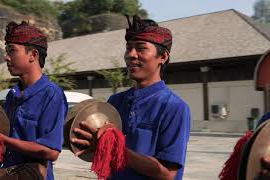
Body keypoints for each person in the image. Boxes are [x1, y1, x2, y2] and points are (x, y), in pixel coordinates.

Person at [72, 15, 191, 180]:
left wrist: (117, 149)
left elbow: (167, 173)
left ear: (163, 57)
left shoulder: (174, 107)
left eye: (141, 48)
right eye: (128, 48)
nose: (131, 54)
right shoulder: (115, 102)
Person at [0, 21, 68, 180]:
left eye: (12, 50)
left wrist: (2, 139)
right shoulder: (12, 95)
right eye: (6, 51)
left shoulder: (51, 94)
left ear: (33, 55)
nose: (6, 57)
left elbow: (51, 152)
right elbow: (5, 143)